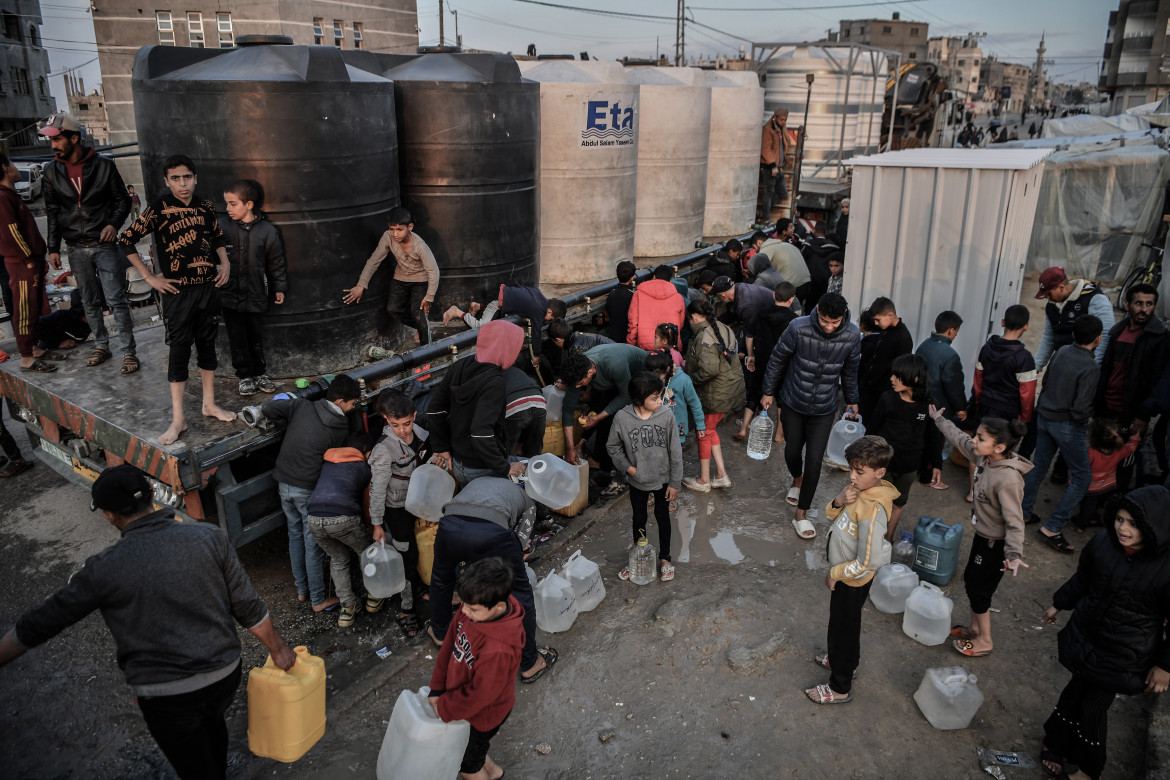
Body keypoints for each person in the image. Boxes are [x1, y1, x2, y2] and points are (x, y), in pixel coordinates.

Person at [0, 465, 296, 780]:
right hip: (223, 675)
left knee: (195, 763)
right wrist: (278, 650)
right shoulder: (209, 537)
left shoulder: (103, 570)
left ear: (108, 516)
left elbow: (40, 623)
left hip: (167, 696)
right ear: (153, 496)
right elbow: (248, 606)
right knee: (213, 723)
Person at [1039, 486, 1170, 780]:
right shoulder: (1102, 543)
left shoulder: (1166, 568)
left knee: (1093, 708)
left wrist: (1165, 666)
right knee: (1073, 693)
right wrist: (1058, 604)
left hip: (1124, 653)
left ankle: (1088, 769)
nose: (1123, 528)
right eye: (1120, 519)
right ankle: (1056, 741)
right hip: (1087, 636)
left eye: (1134, 524)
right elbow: (1082, 580)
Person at [118, 154, 236, 445]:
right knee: (180, 352)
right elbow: (125, 239)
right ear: (166, 181)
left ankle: (209, 405)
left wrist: (225, 263)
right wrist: (149, 277)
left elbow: (218, 237)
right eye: (175, 178)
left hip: (208, 289)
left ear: (195, 178)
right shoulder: (158, 208)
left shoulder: (206, 207)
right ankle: (178, 419)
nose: (182, 184)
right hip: (177, 292)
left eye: (187, 177)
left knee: (208, 347)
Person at [429, 478, 556, 686]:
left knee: (441, 578)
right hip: (490, 530)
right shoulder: (529, 504)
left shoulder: (481, 482)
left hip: (449, 525)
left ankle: (441, 633)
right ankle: (530, 662)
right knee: (520, 594)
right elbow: (521, 545)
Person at [39, 112, 136, 373]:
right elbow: (52, 211)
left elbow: (122, 200)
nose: (53, 145)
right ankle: (101, 345)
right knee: (89, 301)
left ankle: (129, 352)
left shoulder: (103, 165)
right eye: (51, 140)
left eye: (57, 139)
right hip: (75, 247)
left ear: (74, 138)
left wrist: (113, 224)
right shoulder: (50, 171)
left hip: (103, 244)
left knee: (116, 300)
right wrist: (52, 248)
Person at [930, 409, 1032, 657]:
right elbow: (960, 439)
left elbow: (1015, 521)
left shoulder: (1008, 479)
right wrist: (939, 420)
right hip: (982, 536)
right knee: (971, 580)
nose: (974, 441)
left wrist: (1014, 554)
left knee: (980, 590)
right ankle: (975, 628)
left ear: (999, 447)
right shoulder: (985, 458)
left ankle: (985, 640)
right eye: (977, 436)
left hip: (995, 545)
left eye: (981, 438)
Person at [805, 435, 897, 704]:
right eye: (852, 470)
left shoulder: (872, 509)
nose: (853, 477)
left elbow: (868, 561)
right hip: (848, 575)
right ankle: (845, 662)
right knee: (846, 625)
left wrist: (836, 573)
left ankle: (839, 687)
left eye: (859, 471)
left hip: (852, 579)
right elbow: (832, 516)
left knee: (841, 631)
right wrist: (839, 500)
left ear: (879, 472)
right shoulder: (859, 492)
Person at [761, 292, 861, 539]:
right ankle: (797, 479)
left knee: (815, 460)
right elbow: (777, 360)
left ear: (843, 318)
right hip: (793, 401)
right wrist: (767, 392)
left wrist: (852, 399)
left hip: (824, 408)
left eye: (834, 322)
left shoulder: (852, 335)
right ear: (817, 310)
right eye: (825, 320)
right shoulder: (798, 326)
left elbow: (850, 370)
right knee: (792, 451)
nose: (828, 327)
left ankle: (801, 514)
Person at [262, 374, 360, 612]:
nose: (354, 407)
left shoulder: (300, 405)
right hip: (306, 488)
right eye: (353, 403)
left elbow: (267, 407)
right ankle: (318, 600)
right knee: (313, 543)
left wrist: (289, 398)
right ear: (340, 403)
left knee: (294, 536)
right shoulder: (339, 427)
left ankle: (302, 591)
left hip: (283, 482)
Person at [429, 557, 527, 780]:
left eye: (472, 609)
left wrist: (445, 708)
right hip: (462, 705)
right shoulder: (474, 606)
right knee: (472, 752)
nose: (464, 611)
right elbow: (448, 648)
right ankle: (495, 774)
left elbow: (482, 694)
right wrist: (437, 689)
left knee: (465, 765)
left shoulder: (499, 649)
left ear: (499, 606)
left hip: (483, 715)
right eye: (463, 603)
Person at [1021, 315, 1103, 554]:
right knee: (1081, 478)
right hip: (1067, 426)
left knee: (1038, 467)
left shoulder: (1062, 351)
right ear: (1098, 339)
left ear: (1074, 335)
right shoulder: (1090, 367)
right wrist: (1084, 422)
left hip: (1044, 417)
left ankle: (1024, 513)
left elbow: (1045, 382)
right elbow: (1080, 408)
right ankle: (1053, 526)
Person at [428, 320, 527, 486]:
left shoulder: (459, 366)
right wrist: (504, 468)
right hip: (483, 467)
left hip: (459, 464)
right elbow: (480, 431)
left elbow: (435, 410)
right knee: (532, 472)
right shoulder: (494, 382)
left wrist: (440, 447)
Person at [607, 372, 683, 581]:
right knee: (639, 518)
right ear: (639, 400)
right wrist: (629, 469)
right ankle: (639, 556)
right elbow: (612, 446)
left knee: (663, 516)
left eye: (660, 397)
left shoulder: (666, 415)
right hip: (637, 480)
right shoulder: (622, 418)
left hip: (663, 479)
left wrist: (675, 482)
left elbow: (675, 451)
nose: (660, 401)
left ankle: (665, 558)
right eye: (655, 398)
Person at [1093, 283, 1168, 490]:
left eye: (1149, 304)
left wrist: (1143, 415)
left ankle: (1113, 500)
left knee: (1124, 459)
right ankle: (1095, 499)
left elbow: (1156, 380)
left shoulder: (1158, 338)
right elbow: (1107, 369)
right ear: (1127, 305)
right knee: (1101, 453)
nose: (1144, 309)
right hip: (1107, 406)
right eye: (1138, 303)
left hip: (1130, 412)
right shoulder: (1118, 331)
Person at [218, 178, 287, 396]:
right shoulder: (221, 227)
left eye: (233, 203)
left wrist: (279, 287)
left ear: (249, 204)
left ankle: (260, 373)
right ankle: (244, 376)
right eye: (226, 204)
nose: (228, 208)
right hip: (229, 295)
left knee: (256, 336)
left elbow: (276, 262)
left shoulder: (267, 231)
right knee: (236, 336)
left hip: (256, 293)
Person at [368, 390, 430, 633]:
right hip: (398, 508)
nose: (403, 430)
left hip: (420, 502)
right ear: (386, 420)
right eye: (396, 425)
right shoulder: (383, 450)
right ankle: (407, 609)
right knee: (406, 555)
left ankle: (420, 586)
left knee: (422, 547)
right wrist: (377, 524)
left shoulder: (422, 434)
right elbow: (377, 489)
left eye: (407, 423)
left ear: (414, 416)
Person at [559, 343, 650, 495]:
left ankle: (624, 479)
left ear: (590, 372)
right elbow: (568, 411)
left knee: (623, 424)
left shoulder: (614, 364)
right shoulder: (577, 373)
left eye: (580, 384)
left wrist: (598, 417)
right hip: (615, 383)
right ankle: (605, 472)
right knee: (605, 423)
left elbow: (626, 396)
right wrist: (570, 447)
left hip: (639, 377)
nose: (577, 387)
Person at [306, 432, 374, 629]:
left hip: (313, 518)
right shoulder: (363, 468)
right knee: (366, 552)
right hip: (343, 517)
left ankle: (347, 608)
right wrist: (371, 528)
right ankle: (374, 597)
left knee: (338, 558)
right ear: (365, 452)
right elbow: (367, 505)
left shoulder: (328, 463)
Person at [344, 206, 440, 343]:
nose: (395, 234)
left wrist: (429, 297)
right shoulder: (388, 237)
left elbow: (433, 270)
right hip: (400, 277)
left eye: (399, 229)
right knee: (393, 309)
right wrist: (361, 284)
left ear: (410, 227)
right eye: (392, 229)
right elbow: (374, 261)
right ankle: (421, 327)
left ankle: (426, 351)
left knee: (417, 314)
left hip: (420, 280)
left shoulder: (419, 245)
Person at [869, 354, 937, 541]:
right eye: (893, 374)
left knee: (898, 503)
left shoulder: (927, 405)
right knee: (878, 503)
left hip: (909, 465)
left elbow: (933, 435)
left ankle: (887, 540)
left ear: (915, 379)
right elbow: (872, 429)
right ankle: (872, 540)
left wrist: (936, 464)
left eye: (897, 376)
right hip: (884, 464)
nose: (892, 379)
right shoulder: (887, 399)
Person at [0, 154, 56, 372]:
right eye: (12, 165)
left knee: (33, 306)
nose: (16, 169)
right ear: (5, 168)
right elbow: (10, 232)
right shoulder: (3, 197)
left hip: (29, 261)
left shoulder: (10, 195)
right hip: (22, 263)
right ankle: (26, 357)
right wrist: (27, 259)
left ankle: (33, 348)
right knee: (23, 308)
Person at [681, 299, 744, 493]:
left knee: (703, 433)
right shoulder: (723, 327)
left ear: (692, 318)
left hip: (716, 394)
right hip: (730, 390)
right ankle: (720, 475)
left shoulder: (703, 337)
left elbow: (709, 370)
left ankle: (703, 480)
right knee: (710, 429)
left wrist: (690, 380)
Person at [442, 285, 565, 375]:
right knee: (481, 326)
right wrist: (537, 355)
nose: (547, 321)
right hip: (498, 302)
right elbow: (536, 334)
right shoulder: (539, 312)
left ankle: (478, 306)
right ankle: (457, 312)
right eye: (549, 319)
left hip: (500, 292)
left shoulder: (539, 296)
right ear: (549, 311)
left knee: (498, 317)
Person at [735, 282, 798, 442]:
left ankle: (743, 429)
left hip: (762, 358)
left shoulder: (760, 313)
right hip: (783, 363)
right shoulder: (794, 320)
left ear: (773, 296)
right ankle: (779, 434)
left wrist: (751, 355)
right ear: (791, 300)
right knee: (781, 399)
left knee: (756, 391)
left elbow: (749, 335)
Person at [915, 310, 966, 489]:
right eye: (957, 331)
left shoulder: (923, 345)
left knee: (922, 438)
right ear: (951, 331)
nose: (957, 334)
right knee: (935, 442)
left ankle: (920, 470)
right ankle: (928, 477)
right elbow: (954, 386)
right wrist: (961, 407)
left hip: (920, 401)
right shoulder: (950, 355)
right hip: (938, 407)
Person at [1034, 266, 1113, 370]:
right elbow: (1049, 337)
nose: (1047, 297)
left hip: (1083, 367)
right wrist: (1035, 368)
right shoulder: (1052, 305)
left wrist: (1093, 368)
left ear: (1061, 287)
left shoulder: (1095, 299)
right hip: (1060, 364)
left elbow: (1106, 335)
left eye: (1049, 293)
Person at [1075, 419, 1141, 533]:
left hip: (1087, 484)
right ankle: (1087, 522)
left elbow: (1080, 467)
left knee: (1083, 503)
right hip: (1104, 486)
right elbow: (1131, 448)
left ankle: (1078, 522)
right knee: (1092, 504)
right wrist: (1135, 437)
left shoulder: (1091, 452)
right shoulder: (1119, 452)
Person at [858, 297, 913, 422]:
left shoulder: (903, 337)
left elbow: (902, 370)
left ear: (890, 315)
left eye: (878, 320)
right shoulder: (885, 331)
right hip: (870, 390)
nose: (876, 324)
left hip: (884, 392)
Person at [645, 349, 704, 445]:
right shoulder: (649, 379)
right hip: (655, 430)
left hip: (677, 430)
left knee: (675, 457)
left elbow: (695, 403)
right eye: (649, 372)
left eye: (657, 373)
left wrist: (700, 424)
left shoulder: (683, 380)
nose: (653, 376)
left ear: (667, 368)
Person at [627, 265, 685, 351]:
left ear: (654, 277)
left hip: (644, 346)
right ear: (670, 280)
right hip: (669, 346)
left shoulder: (638, 294)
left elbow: (633, 324)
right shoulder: (678, 297)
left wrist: (631, 345)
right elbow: (679, 325)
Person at [800, 221, 842, 312]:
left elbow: (801, 262)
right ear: (826, 232)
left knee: (809, 307)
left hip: (811, 282)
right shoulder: (833, 248)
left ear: (814, 231)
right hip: (826, 282)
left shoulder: (807, 246)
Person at [758, 108, 789, 225]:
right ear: (775, 117)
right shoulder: (768, 129)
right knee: (769, 193)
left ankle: (763, 213)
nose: (784, 122)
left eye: (785, 120)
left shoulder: (780, 130)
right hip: (770, 168)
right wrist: (773, 166)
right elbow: (765, 149)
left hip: (778, 168)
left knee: (783, 193)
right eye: (782, 119)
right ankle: (766, 218)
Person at [36, 287, 90, 352]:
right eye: (90, 313)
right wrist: (58, 343)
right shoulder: (62, 316)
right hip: (49, 350)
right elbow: (36, 324)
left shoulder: (90, 323)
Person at [605, 260, 637, 342]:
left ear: (617, 275)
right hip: (626, 337)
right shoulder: (632, 296)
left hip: (612, 335)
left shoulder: (612, 293)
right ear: (632, 278)